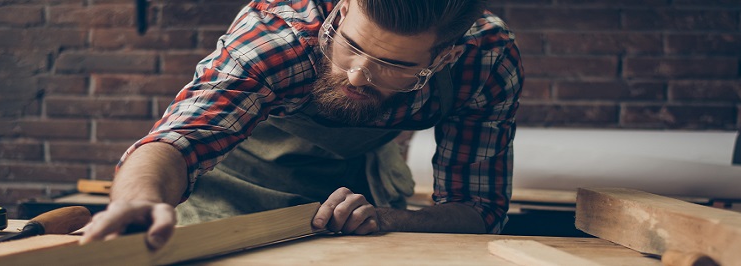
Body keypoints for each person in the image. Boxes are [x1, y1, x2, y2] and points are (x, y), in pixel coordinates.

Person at [80, 0, 522, 250]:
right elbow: (180, 138)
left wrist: (387, 218)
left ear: (444, 57)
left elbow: (478, 209)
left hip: (358, 190)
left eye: (392, 66)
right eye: (350, 46)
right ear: (344, 8)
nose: (357, 75)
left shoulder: (487, 59)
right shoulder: (277, 37)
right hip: (235, 182)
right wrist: (138, 198)